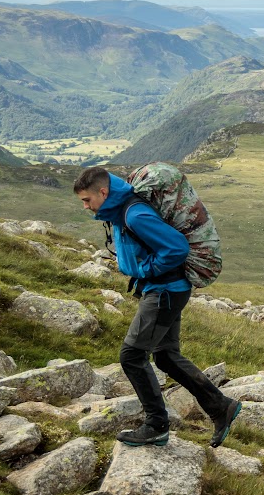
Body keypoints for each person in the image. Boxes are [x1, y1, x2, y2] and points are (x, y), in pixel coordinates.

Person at [74, 167, 241, 448]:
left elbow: (176, 247)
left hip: (164, 291)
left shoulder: (135, 214)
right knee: (165, 357)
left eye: (87, 200)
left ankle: (156, 425)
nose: (85, 206)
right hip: (165, 289)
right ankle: (220, 406)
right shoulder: (119, 211)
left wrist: (148, 270)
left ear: (103, 192)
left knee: (132, 355)